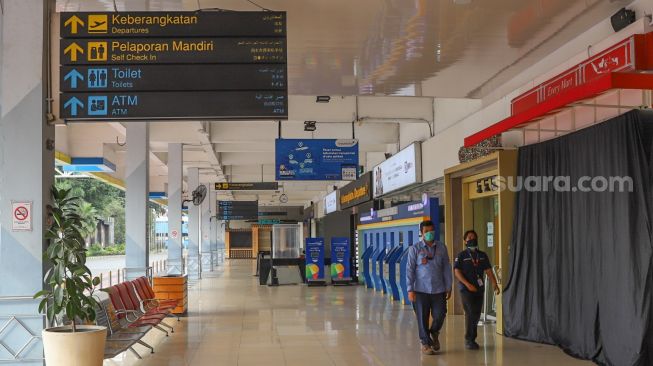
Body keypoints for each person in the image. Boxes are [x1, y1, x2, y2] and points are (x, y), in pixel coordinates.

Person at [406, 220, 452, 355]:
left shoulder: (442, 248)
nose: (429, 234)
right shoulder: (415, 249)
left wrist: (448, 286)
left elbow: (446, 268)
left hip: (439, 289)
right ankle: (425, 343)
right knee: (422, 318)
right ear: (421, 233)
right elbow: (410, 270)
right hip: (420, 290)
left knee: (440, 314)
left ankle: (434, 332)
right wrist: (410, 289)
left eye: (431, 231)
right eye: (426, 232)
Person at [453, 230, 500, 350]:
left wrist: (495, 284)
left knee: (476, 313)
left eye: (474, 237)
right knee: (470, 312)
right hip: (466, 290)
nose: (472, 239)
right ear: (465, 241)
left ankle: (471, 338)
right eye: (469, 237)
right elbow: (457, 272)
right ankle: (469, 339)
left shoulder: (482, 255)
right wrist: (467, 284)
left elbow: (489, 271)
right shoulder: (462, 255)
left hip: (479, 289)